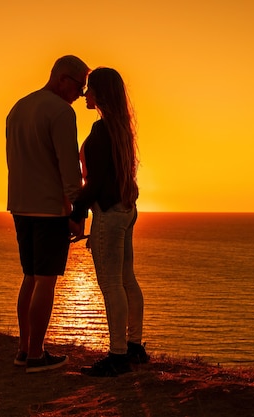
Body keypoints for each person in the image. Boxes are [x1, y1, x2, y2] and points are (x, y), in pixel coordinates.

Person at [6, 55, 90, 373]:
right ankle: (37, 356)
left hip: (20, 204)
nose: (80, 95)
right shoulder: (60, 112)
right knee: (45, 280)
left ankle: (24, 349)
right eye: (79, 87)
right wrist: (77, 209)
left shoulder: (18, 107)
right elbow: (69, 166)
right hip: (49, 208)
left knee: (29, 276)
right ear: (63, 79)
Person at [70, 67, 149, 377]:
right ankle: (134, 347)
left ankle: (117, 355)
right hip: (127, 209)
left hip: (110, 212)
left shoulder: (102, 130)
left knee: (111, 283)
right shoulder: (120, 128)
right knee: (127, 279)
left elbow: (98, 182)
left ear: (100, 93)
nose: (85, 94)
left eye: (90, 89)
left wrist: (76, 214)